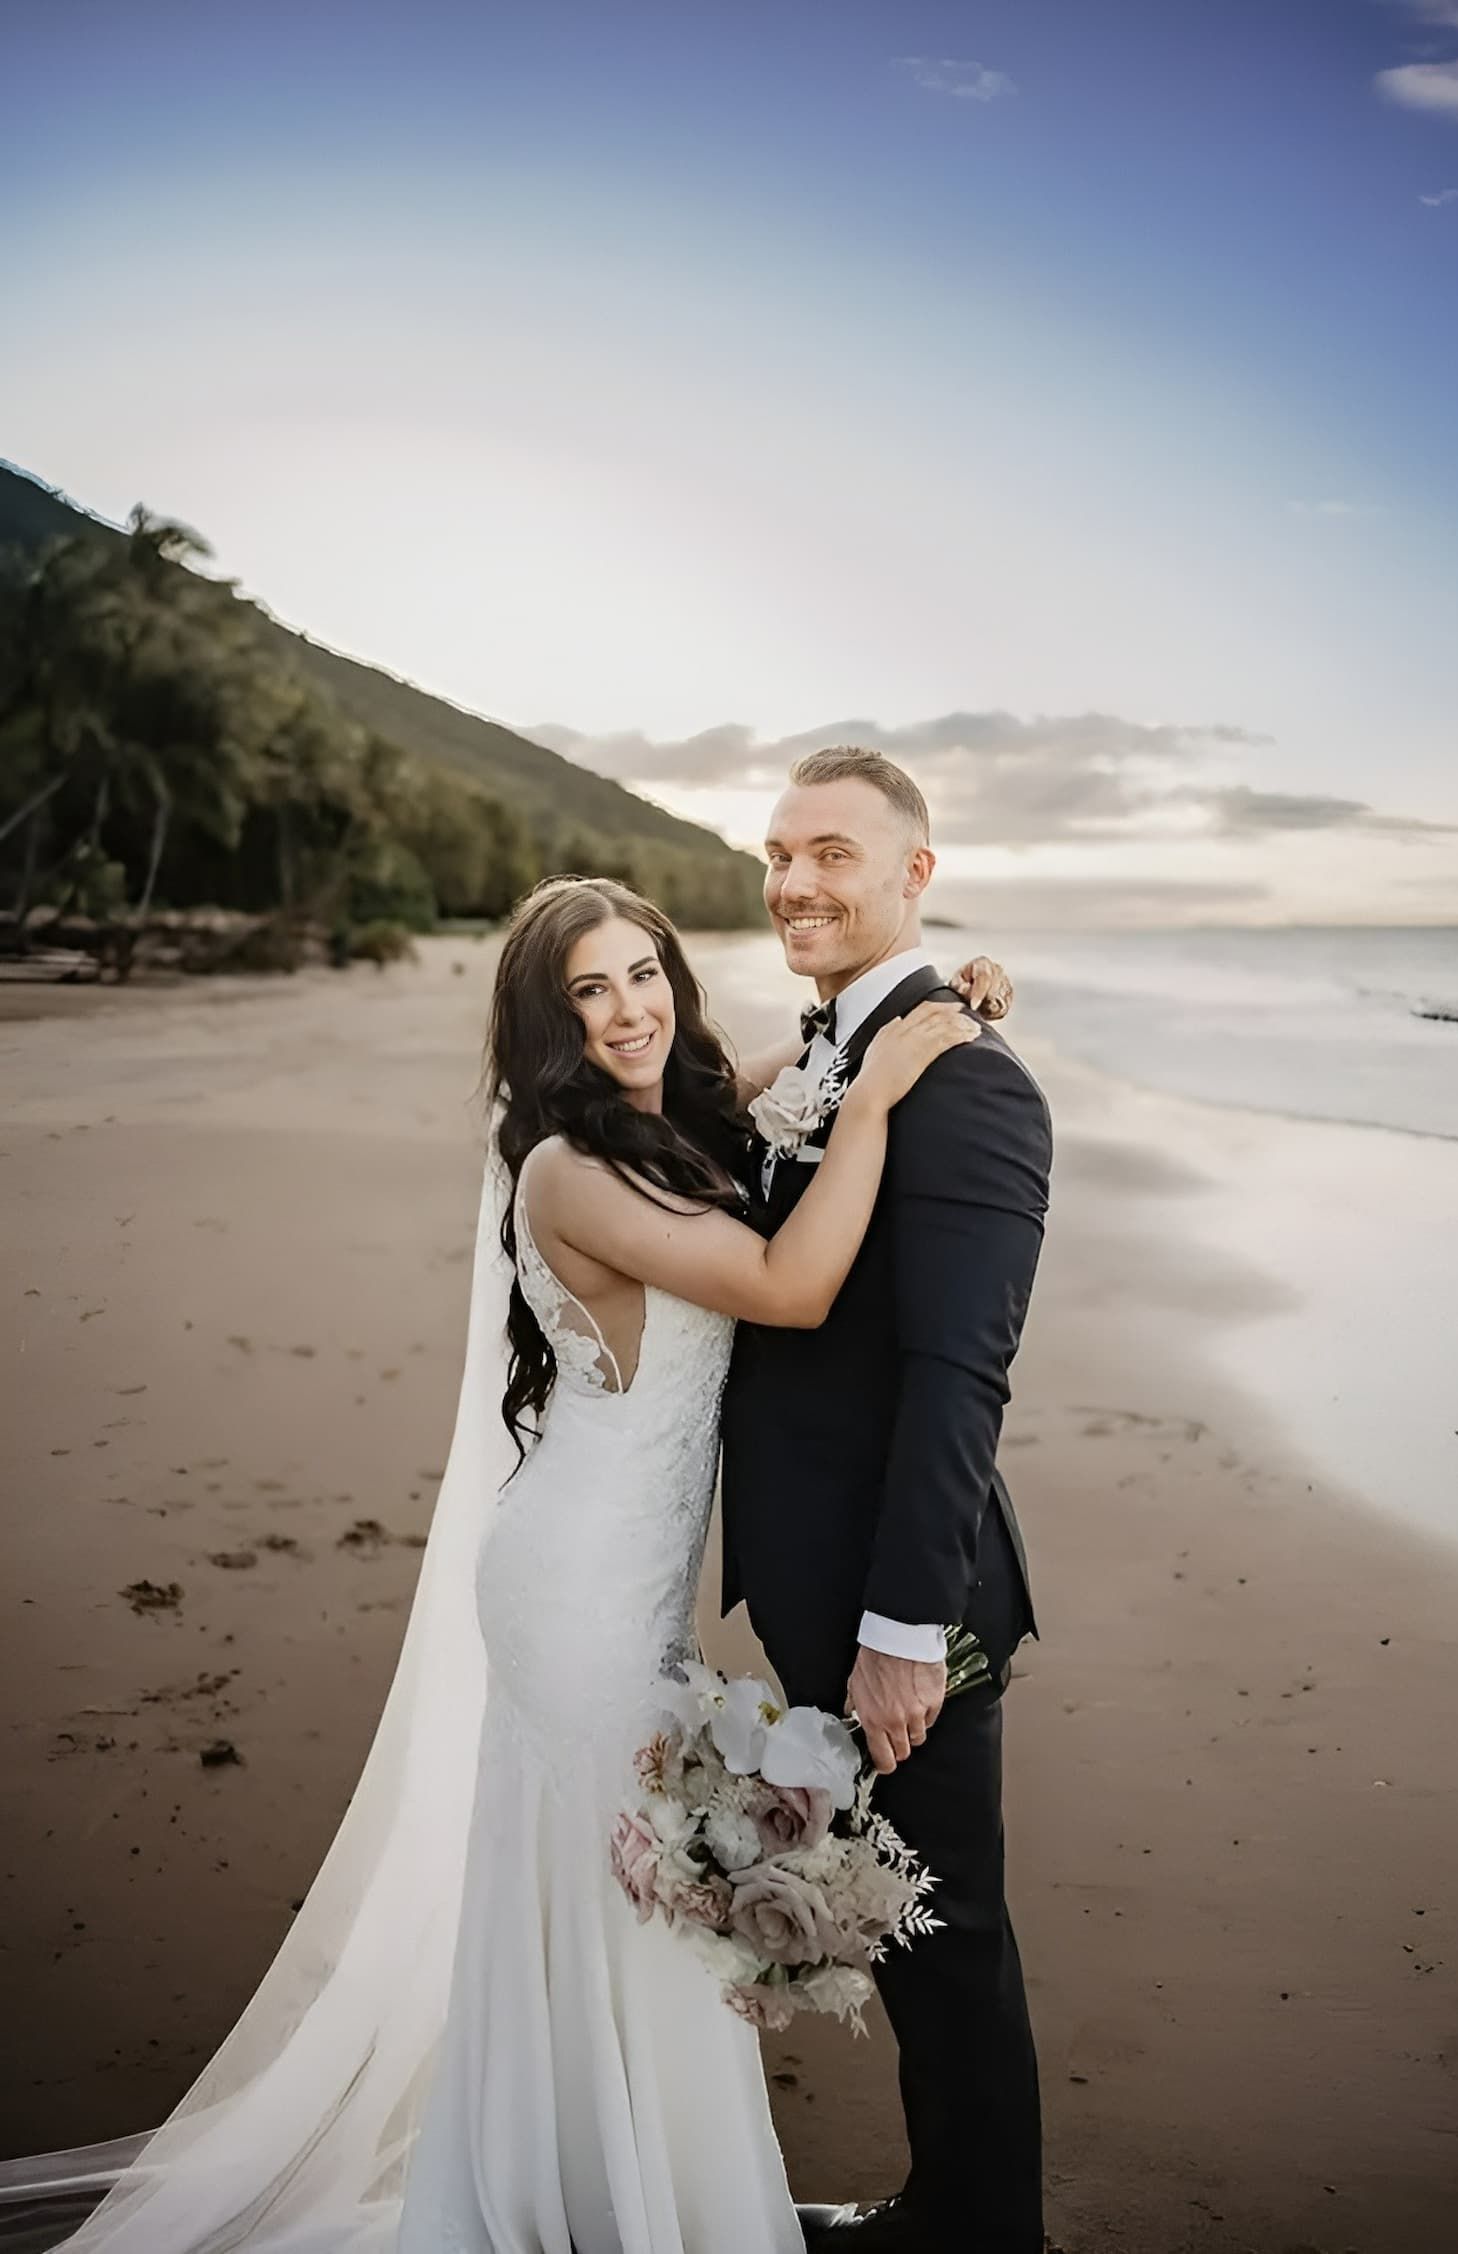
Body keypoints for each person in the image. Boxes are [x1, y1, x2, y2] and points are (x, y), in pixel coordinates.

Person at [0, 870, 1012, 2254]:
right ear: (549, 1022)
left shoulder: (668, 1119)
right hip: (579, 1587)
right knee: (626, 1901)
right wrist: (885, 1098)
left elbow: (785, 1076)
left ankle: (604, 2184)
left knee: (617, 1898)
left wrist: (925, 1004)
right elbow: (795, 1287)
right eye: (589, 990)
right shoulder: (567, 1167)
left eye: (643, 973)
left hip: (625, 1577)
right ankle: (619, 2207)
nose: (627, 1008)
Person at [721, 745, 1052, 2252]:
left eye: (835, 854)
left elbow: (956, 1376)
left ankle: (984, 2230)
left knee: (945, 1931)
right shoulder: (837, 1051)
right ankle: (953, 2211)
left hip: (901, 1600)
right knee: (908, 1922)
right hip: (817, 1580)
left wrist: (904, 1627)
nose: (796, 881)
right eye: (780, 853)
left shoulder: (966, 1084)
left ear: (917, 872)